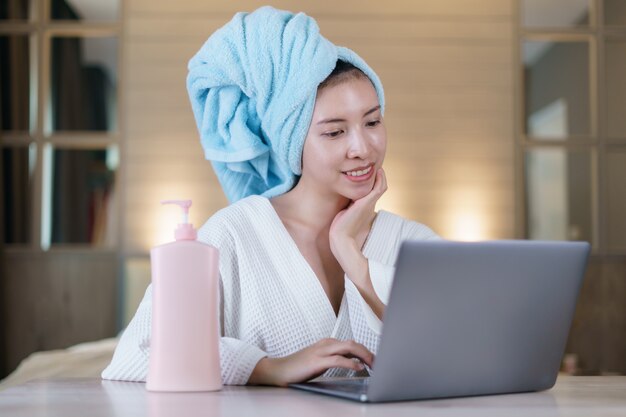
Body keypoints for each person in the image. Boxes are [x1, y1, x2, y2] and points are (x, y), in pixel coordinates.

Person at [101, 6, 439, 387]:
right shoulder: (234, 235)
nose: (362, 147)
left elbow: (461, 355)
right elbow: (134, 356)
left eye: (373, 122)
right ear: (293, 143)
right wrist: (265, 368)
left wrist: (354, 261)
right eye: (334, 132)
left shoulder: (414, 244)